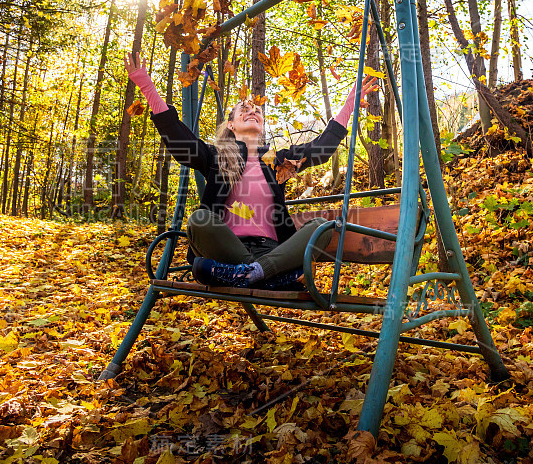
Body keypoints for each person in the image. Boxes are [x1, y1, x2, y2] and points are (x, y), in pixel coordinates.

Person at [125, 53, 378, 290]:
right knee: (199, 220)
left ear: (263, 125)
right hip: (229, 250)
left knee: (321, 226)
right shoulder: (216, 157)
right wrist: (146, 85)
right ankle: (267, 275)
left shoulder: (277, 162)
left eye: (257, 110)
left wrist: (349, 105)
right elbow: (180, 142)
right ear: (231, 125)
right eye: (243, 110)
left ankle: (252, 273)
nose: (253, 111)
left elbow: (320, 149)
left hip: (271, 250)